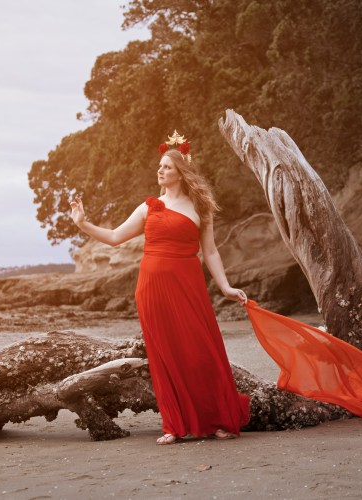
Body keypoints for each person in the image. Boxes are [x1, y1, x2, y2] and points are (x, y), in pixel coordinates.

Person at [69, 130, 250, 445]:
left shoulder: (200, 207)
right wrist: (82, 223)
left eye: (167, 166)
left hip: (188, 285)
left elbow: (210, 252)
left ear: (180, 172)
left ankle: (217, 420)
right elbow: (114, 237)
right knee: (164, 356)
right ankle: (174, 425)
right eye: (160, 166)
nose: (160, 170)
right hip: (151, 288)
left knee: (201, 352)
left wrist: (225, 287)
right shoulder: (148, 207)